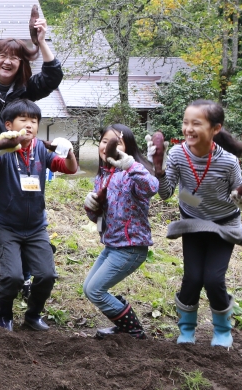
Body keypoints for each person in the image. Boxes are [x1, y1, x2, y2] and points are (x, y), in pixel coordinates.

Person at [0, 9, 63, 313]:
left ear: (21, 63)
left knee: (26, 225)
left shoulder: (27, 90)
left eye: (14, 57)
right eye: (2, 55)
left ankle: (27, 278)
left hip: (18, 171)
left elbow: (53, 76)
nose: (7, 60)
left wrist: (42, 41)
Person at [157, 100, 242, 348]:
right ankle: (187, 329)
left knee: (213, 279)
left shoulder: (228, 162)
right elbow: (167, 193)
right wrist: (158, 168)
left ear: (215, 128)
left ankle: (222, 330)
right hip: (193, 223)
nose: (188, 129)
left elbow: (240, 196)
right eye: (185, 122)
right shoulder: (178, 154)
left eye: (196, 123)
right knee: (192, 278)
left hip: (224, 226)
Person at [0, 100, 77, 331]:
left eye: (34, 120)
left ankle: (32, 315)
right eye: (23, 119)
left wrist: (68, 151)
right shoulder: (4, 148)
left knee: (47, 275)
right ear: (9, 124)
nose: (29, 125)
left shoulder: (41, 149)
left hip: (36, 227)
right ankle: (4, 314)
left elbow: (70, 168)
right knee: (12, 277)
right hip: (7, 226)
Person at [82, 125, 159, 339]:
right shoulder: (102, 175)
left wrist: (130, 165)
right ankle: (125, 325)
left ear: (127, 148)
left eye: (116, 142)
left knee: (96, 290)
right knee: (89, 288)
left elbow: (152, 187)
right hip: (112, 245)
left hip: (131, 247)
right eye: (105, 141)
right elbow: (99, 218)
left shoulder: (131, 173)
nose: (108, 146)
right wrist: (91, 207)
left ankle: (133, 331)